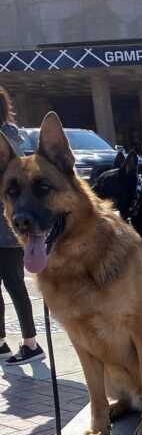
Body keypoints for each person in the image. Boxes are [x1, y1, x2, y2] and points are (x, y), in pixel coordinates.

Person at [0, 86, 43, 364]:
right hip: (11, 222)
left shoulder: (5, 142)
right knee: (11, 282)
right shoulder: (13, 136)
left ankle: (31, 343)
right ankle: (2, 340)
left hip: (8, 225)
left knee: (14, 282)